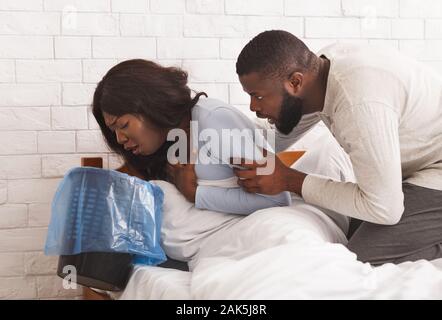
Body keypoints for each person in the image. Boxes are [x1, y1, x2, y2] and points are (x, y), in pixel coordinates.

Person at [232, 30, 442, 265]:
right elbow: (278, 139)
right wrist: (213, 141)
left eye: (258, 96)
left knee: (360, 259)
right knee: (349, 230)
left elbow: (385, 208)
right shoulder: (320, 72)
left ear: (295, 82)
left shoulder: (358, 104)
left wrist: (290, 180)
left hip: (437, 169)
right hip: (418, 163)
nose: (252, 106)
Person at [92, 59, 291, 215]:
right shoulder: (169, 143)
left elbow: (277, 199)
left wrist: (195, 194)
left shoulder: (213, 120)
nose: (119, 139)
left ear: (150, 105)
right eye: (113, 131)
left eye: (123, 125)